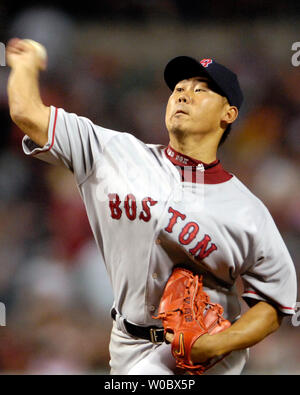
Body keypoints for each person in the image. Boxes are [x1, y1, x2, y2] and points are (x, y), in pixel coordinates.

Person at [6, 38, 297, 375]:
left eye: (201, 90)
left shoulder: (247, 210)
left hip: (207, 365)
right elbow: (27, 114)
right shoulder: (113, 151)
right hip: (126, 344)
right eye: (179, 88)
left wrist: (216, 343)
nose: (183, 94)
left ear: (228, 113)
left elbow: (274, 303)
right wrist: (25, 66)